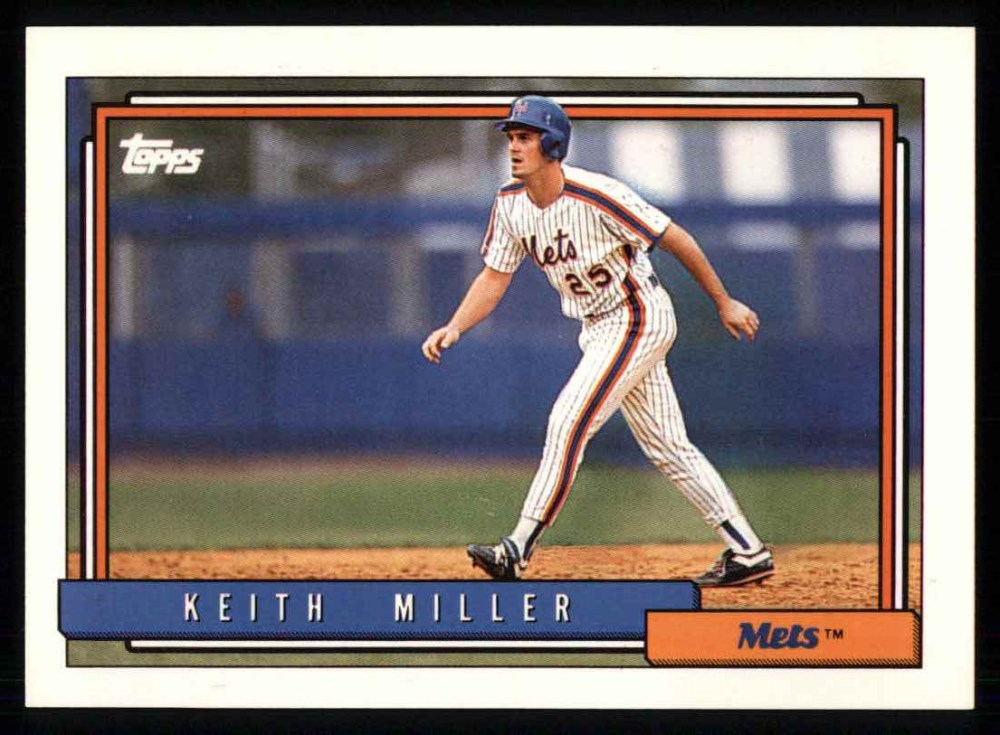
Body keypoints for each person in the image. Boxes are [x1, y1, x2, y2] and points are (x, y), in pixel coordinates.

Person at [421, 95, 774, 587]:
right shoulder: (509, 203)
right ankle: (749, 551)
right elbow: (494, 276)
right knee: (669, 447)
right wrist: (456, 325)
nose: (514, 147)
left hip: (637, 316)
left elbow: (675, 237)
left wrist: (723, 301)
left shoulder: (598, 194)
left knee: (568, 421)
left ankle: (517, 548)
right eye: (512, 137)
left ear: (552, 144)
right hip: (598, 327)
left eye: (525, 137)